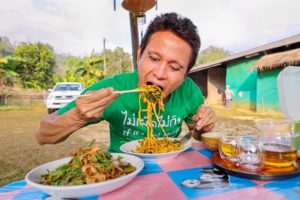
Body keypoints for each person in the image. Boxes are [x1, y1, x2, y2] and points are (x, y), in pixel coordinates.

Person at [36, 12, 217, 152]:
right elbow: (43, 134)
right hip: (122, 170)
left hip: (169, 169)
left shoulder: (189, 92)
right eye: (154, 58)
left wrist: (204, 126)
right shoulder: (113, 89)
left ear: (185, 74)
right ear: (139, 55)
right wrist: (77, 117)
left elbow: (197, 134)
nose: (160, 73)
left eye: (174, 68)